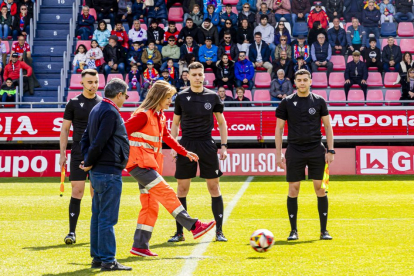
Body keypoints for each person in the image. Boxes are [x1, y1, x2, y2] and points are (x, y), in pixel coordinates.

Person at [125, 80, 217, 256]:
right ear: (158, 97)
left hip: (148, 164)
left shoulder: (159, 115)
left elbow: (167, 136)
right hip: (139, 164)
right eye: (168, 98)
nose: (170, 102)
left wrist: (184, 152)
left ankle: (140, 246)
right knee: (167, 193)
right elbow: (120, 132)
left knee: (151, 205)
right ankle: (194, 226)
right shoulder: (143, 115)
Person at [168, 62, 229, 243]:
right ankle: (179, 232)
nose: (197, 77)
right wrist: (174, 146)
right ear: (188, 76)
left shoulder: (213, 97)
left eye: (199, 74)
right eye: (193, 74)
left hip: (207, 145)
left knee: (213, 187)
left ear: (204, 76)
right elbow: (175, 123)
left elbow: (222, 123)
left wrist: (224, 145)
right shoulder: (181, 97)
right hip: (186, 145)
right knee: (182, 188)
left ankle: (219, 231)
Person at [275, 69, 334, 242]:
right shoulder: (286, 102)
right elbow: (279, 129)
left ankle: (324, 231)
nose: (302, 83)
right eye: (299, 80)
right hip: (294, 150)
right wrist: (278, 154)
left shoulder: (319, 101)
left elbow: (328, 127)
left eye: (305, 80)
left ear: (310, 81)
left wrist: (330, 150)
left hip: (317, 150)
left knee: (321, 189)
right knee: (293, 189)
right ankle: (293, 231)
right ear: (295, 82)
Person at [80, 78, 131, 271]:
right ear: (118, 94)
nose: (125, 99)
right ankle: (108, 260)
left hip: (98, 172)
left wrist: (87, 160)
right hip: (109, 172)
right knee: (107, 218)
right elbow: (100, 141)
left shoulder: (96, 108)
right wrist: (90, 161)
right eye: (125, 95)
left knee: (98, 216)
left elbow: (85, 138)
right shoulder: (110, 112)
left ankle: (98, 258)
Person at [60, 69, 102, 245]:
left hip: (98, 152)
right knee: (77, 191)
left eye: (96, 81)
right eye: (90, 82)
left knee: (96, 193)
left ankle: (97, 232)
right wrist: (62, 153)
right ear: (82, 83)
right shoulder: (73, 103)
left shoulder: (103, 103)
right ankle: (71, 232)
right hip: (78, 151)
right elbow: (65, 129)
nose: (93, 85)